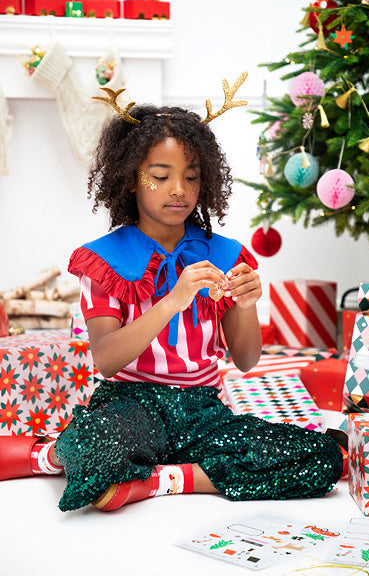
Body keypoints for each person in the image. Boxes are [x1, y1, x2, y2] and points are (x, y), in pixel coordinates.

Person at [0, 76, 343, 511]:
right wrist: (172, 301)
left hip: (204, 411)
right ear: (130, 180)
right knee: (98, 442)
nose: (178, 189)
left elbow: (246, 360)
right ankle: (47, 455)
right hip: (132, 406)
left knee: (323, 457)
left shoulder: (225, 254)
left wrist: (247, 305)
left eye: (191, 176)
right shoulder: (102, 260)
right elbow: (105, 358)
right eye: (160, 176)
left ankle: (156, 481)